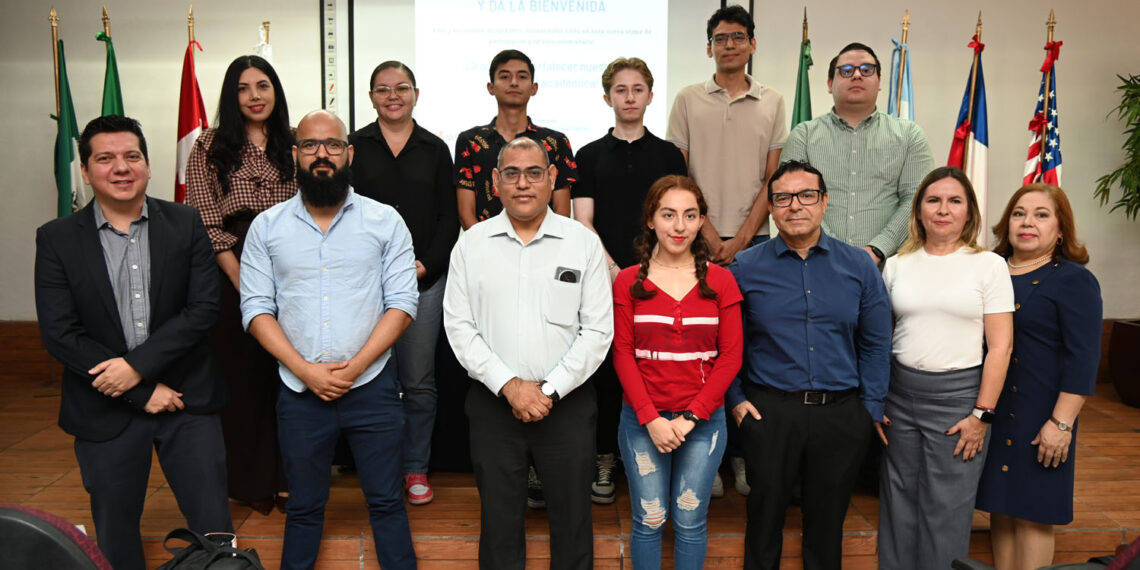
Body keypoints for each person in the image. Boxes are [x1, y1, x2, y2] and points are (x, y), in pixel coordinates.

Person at [34, 115, 232, 570]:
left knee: (215, 532)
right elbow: (60, 333)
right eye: (105, 158)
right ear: (85, 171)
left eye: (132, 157)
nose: (121, 168)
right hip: (103, 407)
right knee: (116, 535)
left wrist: (136, 368)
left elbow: (202, 310)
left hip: (187, 399)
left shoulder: (186, 223)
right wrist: (141, 390)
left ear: (147, 165)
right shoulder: (57, 239)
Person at [240, 110, 419, 570]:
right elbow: (256, 309)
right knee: (302, 508)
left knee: (386, 502)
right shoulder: (267, 227)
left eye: (333, 145)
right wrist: (306, 372)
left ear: (349, 153)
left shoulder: (386, 221)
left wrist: (354, 368)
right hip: (299, 391)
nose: (322, 154)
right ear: (294, 155)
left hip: (373, 387)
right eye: (310, 145)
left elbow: (401, 304)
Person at [443, 137, 613, 570]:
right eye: (512, 174)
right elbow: (459, 328)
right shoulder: (471, 244)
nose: (523, 183)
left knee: (573, 523)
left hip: (568, 404)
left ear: (552, 178)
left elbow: (597, 331)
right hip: (493, 404)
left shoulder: (582, 243)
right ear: (495, 182)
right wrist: (511, 387)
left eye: (534, 173)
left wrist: (549, 389)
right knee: (499, 526)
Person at [725, 160, 892, 569]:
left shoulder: (858, 267)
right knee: (764, 519)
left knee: (827, 521)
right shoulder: (745, 268)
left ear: (824, 202)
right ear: (771, 206)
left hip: (841, 413)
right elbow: (724, 343)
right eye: (782, 198)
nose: (794, 205)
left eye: (806, 196)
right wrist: (735, 399)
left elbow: (876, 340)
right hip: (769, 411)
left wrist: (869, 407)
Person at [877, 166, 1014, 570]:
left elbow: (1001, 347)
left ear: (969, 212)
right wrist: (878, 399)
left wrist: (981, 416)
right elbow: (882, 339)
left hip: (959, 400)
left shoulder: (988, 265)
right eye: (933, 200)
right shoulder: (898, 265)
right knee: (897, 499)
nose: (943, 210)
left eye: (955, 201)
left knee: (947, 509)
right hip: (899, 397)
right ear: (918, 210)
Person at [612, 175, 743, 569]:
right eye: (668, 215)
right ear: (651, 219)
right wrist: (651, 418)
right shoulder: (627, 281)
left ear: (702, 220)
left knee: (689, 521)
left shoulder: (721, 281)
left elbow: (731, 357)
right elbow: (621, 353)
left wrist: (690, 418)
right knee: (649, 519)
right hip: (642, 421)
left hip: (702, 422)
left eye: (690, 215)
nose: (679, 226)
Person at [572, 56, 687, 504]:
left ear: (650, 96)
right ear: (607, 98)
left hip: (665, 279)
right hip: (606, 278)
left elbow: (679, 218)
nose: (630, 97)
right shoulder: (589, 155)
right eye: (621, 90)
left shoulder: (668, 155)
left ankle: (668, 451)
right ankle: (605, 458)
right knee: (606, 368)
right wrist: (619, 271)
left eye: (638, 89)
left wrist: (654, 270)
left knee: (657, 364)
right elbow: (583, 222)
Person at [185, 54, 295, 514]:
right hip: (230, 268)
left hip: (294, 271)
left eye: (263, 86)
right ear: (232, 96)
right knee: (244, 380)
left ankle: (291, 478)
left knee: (288, 380)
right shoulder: (210, 145)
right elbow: (206, 221)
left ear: (276, 92)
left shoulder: (294, 144)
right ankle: (250, 482)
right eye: (244, 88)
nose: (255, 96)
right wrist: (246, 283)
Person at [976, 184, 1102, 570]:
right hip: (994, 408)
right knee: (1001, 506)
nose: (1028, 222)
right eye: (1019, 213)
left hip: (1043, 412)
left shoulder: (1073, 280)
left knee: (1033, 511)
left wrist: (1061, 423)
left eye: (1042, 214)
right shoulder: (989, 270)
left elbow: (1083, 358)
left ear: (1061, 229)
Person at [349, 60, 458, 505]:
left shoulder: (434, 148)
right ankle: (377, 469)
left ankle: (415, 467)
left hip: (421, 283)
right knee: (370, 379)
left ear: (417, 93)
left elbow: (448, 218)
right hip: (362, 285)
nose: (392, 96)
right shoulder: (353, 145)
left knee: (417, 381)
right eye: (382, 89)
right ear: (371, 96)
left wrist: (423, 267)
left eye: (402, 88)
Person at [781, 42, 934, 264]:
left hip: (887, 268)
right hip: (814, 264)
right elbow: (792, 199)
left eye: (866, 70)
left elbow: (916, 199)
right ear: (830, 83)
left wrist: (877, 250)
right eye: (846, 71)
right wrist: (831, 250)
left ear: (879, 82)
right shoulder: (803, 136)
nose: (856, 76)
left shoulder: (909, 135)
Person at [666, 4, 787, 268]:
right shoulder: (687, 99)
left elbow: (772, 178)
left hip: (756, 237)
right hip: (693, 231)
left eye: (738, 37)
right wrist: (707, 232)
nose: (729, 45)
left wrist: (742, 239)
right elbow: (679, 175)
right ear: (709, 48)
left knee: (753, 309)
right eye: (720, 39)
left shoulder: (773, 101)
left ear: (752, 45)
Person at [455, 49, 577, 228]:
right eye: (504, 77)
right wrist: (482, 247)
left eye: (522, 77)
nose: (513, 82)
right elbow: (466, 213)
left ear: (534, 88)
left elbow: (562, 212)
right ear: (491, 87)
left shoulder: (555, 141)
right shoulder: (470, 141)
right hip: (486, 248)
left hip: (544, 249)